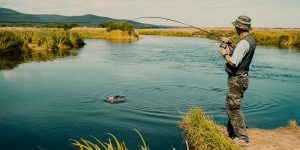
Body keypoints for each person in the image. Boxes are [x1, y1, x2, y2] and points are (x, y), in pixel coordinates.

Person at [219, 15, 256, 147]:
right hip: (242, 78)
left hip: (237, 79)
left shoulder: (244, 43)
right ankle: (232, 132)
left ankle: (242, 138)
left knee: (233, 107)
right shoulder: (249, 40)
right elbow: (238, 54)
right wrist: (229, 43)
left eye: (235, 25)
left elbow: (234, 62)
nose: (234, 27)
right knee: (231, 104)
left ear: (239, 27)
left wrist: (224, 53)